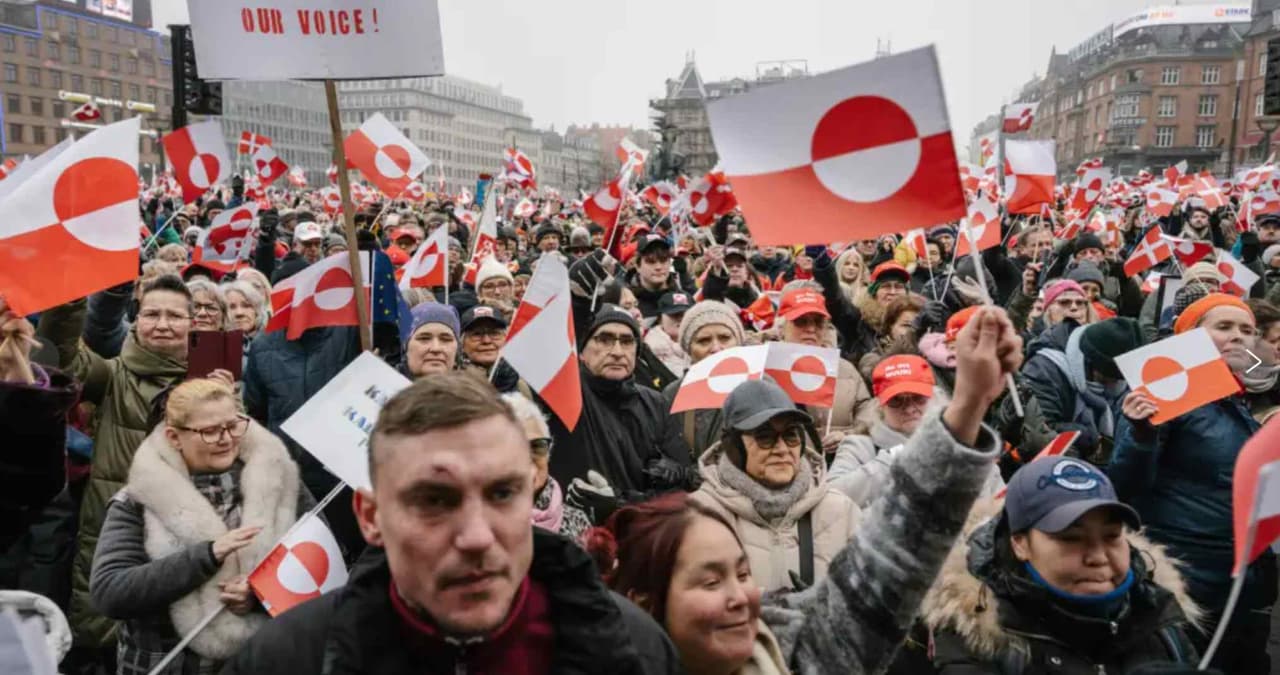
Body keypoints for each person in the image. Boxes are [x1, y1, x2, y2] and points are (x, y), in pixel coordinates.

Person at [587, 305, 1024, 674]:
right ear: (646, 605)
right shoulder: (697, 516)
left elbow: (894, 559)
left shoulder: (800, 651)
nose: (741, 597)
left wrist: (967, 403)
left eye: (743, 573)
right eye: (710, 580)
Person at [222, 372, 682, 674]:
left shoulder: (634, 649)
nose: (478, 537)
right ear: (371, 517)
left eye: (502, 493)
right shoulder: (285, 659)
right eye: (434, 501)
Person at [90, 378, 312, 674]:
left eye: (233, 425)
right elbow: (110, 592)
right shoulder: (138, 500)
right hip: (165, 662)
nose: (226, 438)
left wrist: (260, 594)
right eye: (209, 431)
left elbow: (316, 560)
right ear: (173, 437)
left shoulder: (277, 479)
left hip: (261, 660)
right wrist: (206, 556)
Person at [1110, 293, 1274, 674]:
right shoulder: (1165, 395)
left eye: (1247, 330)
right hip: (1188, 578)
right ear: (1189, 339)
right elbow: (1125, 485)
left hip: (1242, 578)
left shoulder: (1242, 395)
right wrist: (1141, 434)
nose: (1238, 337)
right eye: (1223, 327)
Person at [924, 456, 1202, 673]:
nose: (1098, 556)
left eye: (1111, 536)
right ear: (1020, 544)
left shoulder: (1158, 615)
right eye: (1071, 539)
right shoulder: (976, 640)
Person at [34, 275, 192, 653]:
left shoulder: (218, 382)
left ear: (193, 323)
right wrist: (67, 297)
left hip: (182, 552)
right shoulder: (113, 374)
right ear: (136, 320)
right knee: (98, 648)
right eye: (152, 313)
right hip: (107, 547)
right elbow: (58, 355)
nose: (163, 323)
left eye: (175, 315)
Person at [690, 379, 861, 592]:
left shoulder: (841, 511)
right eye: (765, 437)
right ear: (733, 446)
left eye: (790, 436)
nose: (782, 449)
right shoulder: (697, 516)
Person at [829, 355, 1004, 507]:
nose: (910, 409)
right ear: (880, 407)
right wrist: (894, 458)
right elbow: (832, 498)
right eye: (896, 401)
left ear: (935, 397)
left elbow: (1000, 506)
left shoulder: (966, 444)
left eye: (918, 398)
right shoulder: (860, 446)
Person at [1020, 317, 1143, 467]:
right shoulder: (1044, 370)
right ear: (1092, 363)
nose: (1117, 383)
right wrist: (1083, 436)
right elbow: (1037, 432)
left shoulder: (1121, 383)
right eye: (1112, 377)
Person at [774, 287, 878, 449]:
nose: (811, 329)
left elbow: (867, 411)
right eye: (801, 321)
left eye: (818, 322)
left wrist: (849, 436)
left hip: (838, 463)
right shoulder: (766, 367)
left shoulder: (844, 368)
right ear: (781, 329)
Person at [662, 301, 748, 460]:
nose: (716, 348)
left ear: (738, 341)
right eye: (704, 341)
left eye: (724, 338)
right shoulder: (674, 395)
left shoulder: (763, 385)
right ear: (689, 349)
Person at [503, 393, 591, 543]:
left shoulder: (579, 523)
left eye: (537, 446)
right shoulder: (482, 522)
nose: (528, 457)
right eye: (515, 446)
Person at [459, 305, 524, 395]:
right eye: (477, 334)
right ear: (462, 344)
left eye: (494, 333)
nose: (487, 341)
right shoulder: (450, 386)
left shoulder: (526, 381)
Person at [628, 235, 691, 319]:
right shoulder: (627, 302)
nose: (658, 267)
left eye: (663, 260)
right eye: (651, 261)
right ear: (638, 266)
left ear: (670, 263)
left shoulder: (684, 299)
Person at [400, 303, 461, 379]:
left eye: (446, 339)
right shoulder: (384, 387)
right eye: (424, 338)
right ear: (406, 347)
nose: (436, 348)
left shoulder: (475, 389)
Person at [644, 291, 692, 378]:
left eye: (687, 314)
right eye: (675, 314)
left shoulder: (707, 346)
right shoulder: (649, 351)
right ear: (660, 319)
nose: (681, 319)